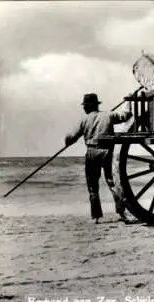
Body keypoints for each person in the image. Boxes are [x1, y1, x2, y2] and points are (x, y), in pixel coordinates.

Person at [65, 93, 132, 224]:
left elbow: (71, 138)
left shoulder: (84, 120)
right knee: (112, 183)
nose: (83, 108)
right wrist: (128, 102)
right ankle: (122, 213)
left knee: (92, 186)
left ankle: (96, 217)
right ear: (97, 105)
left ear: (88, 107)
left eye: (85, 106)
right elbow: (125, 116)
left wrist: (67, 140)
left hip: (92, 152)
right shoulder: (108, 115)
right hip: (107, 152)